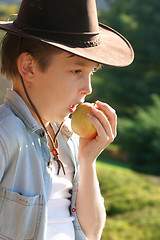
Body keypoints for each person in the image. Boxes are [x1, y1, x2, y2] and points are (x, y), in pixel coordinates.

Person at [0, 0, 134, 239]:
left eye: (91, 72)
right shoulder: (5, 135)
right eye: (76, 71)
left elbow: (91, 232)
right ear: (28, 67)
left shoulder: (68, 139)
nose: (88, 88)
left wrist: (87, 158)